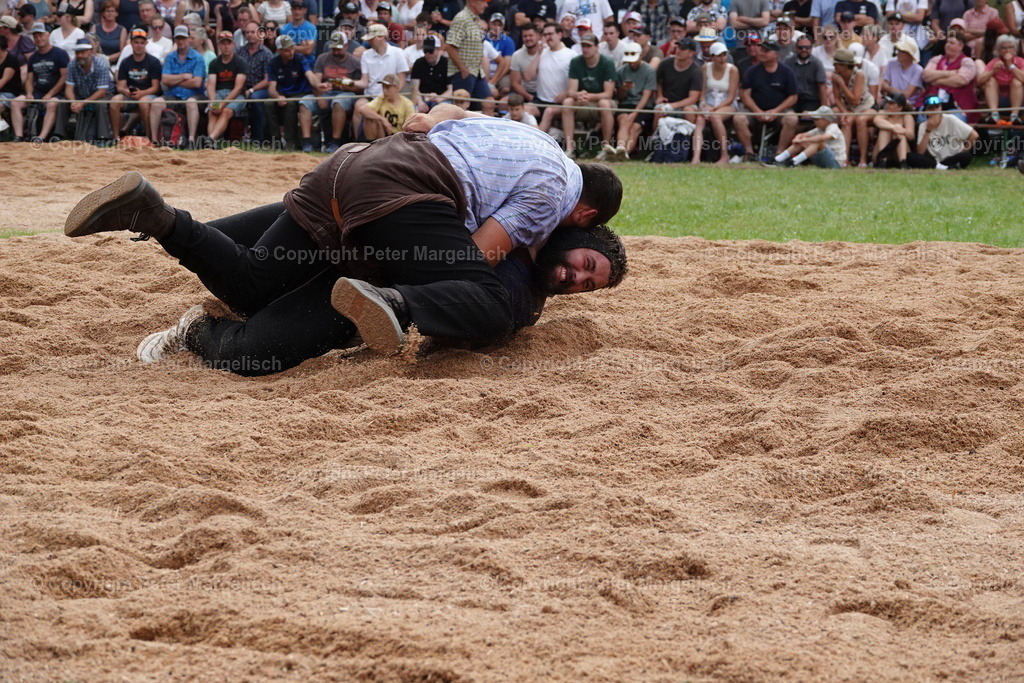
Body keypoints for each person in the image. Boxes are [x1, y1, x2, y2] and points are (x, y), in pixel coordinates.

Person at [64, 106, 624, 367]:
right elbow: (473, 259)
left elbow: (436, 114)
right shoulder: (552, 197)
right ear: (586, 217)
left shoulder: (529, 139)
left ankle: (156, 217)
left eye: (586, 286)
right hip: (402, 199)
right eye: (585, 266)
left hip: (356, 169)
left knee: (252, 283)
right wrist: (412, 296)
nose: (575, 279)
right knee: (488, 296)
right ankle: (391, 303)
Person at [734, 39, 798, 161]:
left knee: (792, 119)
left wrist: (776, 111)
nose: (761, 53)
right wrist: (757, 111)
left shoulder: (787, 72)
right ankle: (749, 152)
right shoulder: (752, 71)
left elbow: (793, 97)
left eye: (766, 51)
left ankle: (780, 154)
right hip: (754, 110)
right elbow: (745, 94)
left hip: (780, 111)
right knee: (738, 118)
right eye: (761, 50)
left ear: (776, 54)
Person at [299, 32, 361, 152]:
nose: (336, 52)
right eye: (333, 49)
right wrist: (319, 95)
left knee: (338, 102)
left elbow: (359, 88)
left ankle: (335, 142)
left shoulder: (354, 62)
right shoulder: (322, 58)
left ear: (346, 46)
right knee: (304, 102)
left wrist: (345, 86)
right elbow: (316, 81)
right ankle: (307, 142)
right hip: (325, 93)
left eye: (338, 49)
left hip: (346, 93)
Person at [10, 23, 68, 142]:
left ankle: (41, 137)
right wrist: (29, 93)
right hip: (38, 92)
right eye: (35, 36)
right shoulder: (33, 57)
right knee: (15, 102)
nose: (38, 39)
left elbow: (64, 77)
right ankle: (18, 136)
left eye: (41, 35)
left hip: (57, 93)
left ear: (48, 35)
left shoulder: (60, 54)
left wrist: (50, 94)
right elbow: (29, 79)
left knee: (52, 103)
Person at [563, 32, 616, 158]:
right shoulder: (576, 62)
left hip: (600, 101)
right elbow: (571, 91)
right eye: (583, 46)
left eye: (589, 46)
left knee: (605, 103)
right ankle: (569, 148)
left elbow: (608, 93)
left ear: (597, 47)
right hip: (582, 101)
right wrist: (578, 95)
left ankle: (606, 146)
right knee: (567, 102)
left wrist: (590, 96)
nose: (585, 49)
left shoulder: (607, 62)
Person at [150, 24, 204, 146]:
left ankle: (191, 139)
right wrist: (184, 76)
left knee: (191, 102)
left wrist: (174, 80)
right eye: (178, 38)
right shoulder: (170, 57)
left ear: (188, 39)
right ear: (175, 40)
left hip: (194, 95)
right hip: (173, 95)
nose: (181, 41)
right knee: (156, 102)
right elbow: (165, 80)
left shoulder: (198, 58)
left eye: (183, 38)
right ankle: (154, 139)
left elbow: (197, 83)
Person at [109, 26, 161, 140]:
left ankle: (149, 137)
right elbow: (120, 86)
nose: (139, 45)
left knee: (143, 102)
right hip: (130, 95)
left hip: (148, 94)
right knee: (114, 101)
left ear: (146, 43)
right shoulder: (125, 62)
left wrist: (142, 93)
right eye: (136, 42)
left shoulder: (154, 62)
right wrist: (126, 91)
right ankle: (116, 137)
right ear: (131, 43)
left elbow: (156, 88)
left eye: (142, 42)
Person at [265, 32, 313, 149]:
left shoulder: (300, 58)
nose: (291, 52)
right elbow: (271, 88)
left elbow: (310, 75)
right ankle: (275, 140)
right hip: (282, 93)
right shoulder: (273, 63)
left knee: (290, 104)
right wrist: (277, 97)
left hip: (300, 93)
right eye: (287, 50)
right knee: (268, 103)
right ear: (279, 51)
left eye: (292, 48)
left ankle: (290, 141)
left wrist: (319, 85)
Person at [692, 41, 737, 164]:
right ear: (712, 57)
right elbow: (702, 92)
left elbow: (731, 97)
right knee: (699, 120)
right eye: (719, 56)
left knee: (715, 117)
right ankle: (696, 157)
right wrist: (703, 105)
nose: (722, 58)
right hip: (709, 101)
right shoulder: (705, 68)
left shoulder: (732, 70)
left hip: (727, 103)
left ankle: (724, 155)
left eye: (724, 55)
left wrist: (714, 108)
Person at [609, 41, 654, 161]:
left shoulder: (649, 71)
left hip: (644, 107)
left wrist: (634, 113)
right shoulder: (621, 71)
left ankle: (624, 153)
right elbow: (619, 97)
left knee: (635, 127)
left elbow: (646, 96)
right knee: (623, 120)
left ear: (640, 55)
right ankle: (620, 148)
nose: (631, 62)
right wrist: (623, 89)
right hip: (626, 104)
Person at [921, 30, 978, 122]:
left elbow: (961, 81)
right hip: (932, 104)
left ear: (961, 46)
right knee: (921, 118)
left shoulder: (967, 62)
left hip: (957, 106)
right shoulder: (937, 59)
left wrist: (936, 81)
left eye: (952, 43)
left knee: (954, 120)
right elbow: (926, 75)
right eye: (947, 42)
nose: (947, 45)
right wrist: (950, 73)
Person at [908, 94, 978, 168]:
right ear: (926, 111)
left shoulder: (950, 119)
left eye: (937, 107)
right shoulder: (923, 126)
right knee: (911, 156)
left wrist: (964, 149)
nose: (935, 110)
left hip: (954, 157)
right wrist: (928, 131)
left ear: (941, 108)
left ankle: (945, 167)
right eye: (931, 108)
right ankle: (945, 168)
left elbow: (974, 135)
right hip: (936, 161)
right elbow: (920, 152)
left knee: (966, 155)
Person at [203, 29, 247, 145]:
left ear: (233, 44)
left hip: (237, 95)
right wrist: (213, 102)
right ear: (219, 45)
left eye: (228, 43)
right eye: (223, 43)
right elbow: (211, 85)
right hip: (219, 93)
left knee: (226, 111)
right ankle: (211, 142)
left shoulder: (240, 62)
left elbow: (238, 88)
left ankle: (211, 139)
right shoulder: (214, 63)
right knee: (212, 112)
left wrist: (222, 104)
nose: (226, 46)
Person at [63, 37, 112, 141]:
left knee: (100, 104)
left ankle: (103, 137)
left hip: (102, 95)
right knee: (62, 102)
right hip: (81, 94)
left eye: (83, 52)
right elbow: (68, 88)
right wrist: (73, 101)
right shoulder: (72, 65)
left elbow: (102, 92)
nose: (80, 55)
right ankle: (60, 134)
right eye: (78, 53)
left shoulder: (101, 64)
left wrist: (83, 102)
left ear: (90, 52)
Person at [830, 47, 872, 167]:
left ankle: (863, 159)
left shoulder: (859, 75)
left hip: (865, 105)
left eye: (836, 64)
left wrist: (842, 84)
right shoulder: (835, 76)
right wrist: (844, 112)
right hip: (848, 107)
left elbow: (855, 99)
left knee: (860, 120)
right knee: (846, 120)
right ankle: (844, 158)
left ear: (844, 65)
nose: (834, 66)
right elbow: (837, 98)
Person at [444, 0, 489, 110]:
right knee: (460, 108)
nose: (486, 5)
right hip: (463, 73)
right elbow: (449, 46)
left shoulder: (476, 19)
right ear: (473, 2)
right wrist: (463, 69)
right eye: (483, 1)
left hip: (476, 71)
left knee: (489, 103)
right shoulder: (461, 18)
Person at [529, 22, 573, 130]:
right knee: (524, 110)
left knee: (549, 112)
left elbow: (578, 82)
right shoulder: (542, 52)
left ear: (559, 35)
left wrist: (566, 93)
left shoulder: (571, 54)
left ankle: (538, 139)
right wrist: (538, 54)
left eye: (550, 34)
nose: (547, 37)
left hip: (559, 102)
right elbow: (529, 76)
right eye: (545, 35)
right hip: (540, 100)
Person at [769, 104, 845, 166]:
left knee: (818, 143)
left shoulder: (833, 127)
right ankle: (778, 159)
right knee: (802, 142)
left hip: (835, 162)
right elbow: (802, 134)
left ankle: (794, 162)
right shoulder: (819, 129)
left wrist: (804, 140)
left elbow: (822, 138)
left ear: (826, 120)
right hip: (823, 160)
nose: (814, 121)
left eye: (817, 119)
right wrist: (798, 139)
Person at [653, 36, 701, 130]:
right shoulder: (665, 64)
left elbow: (693, 98)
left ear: (691, 53)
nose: (678, 51)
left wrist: (672, 106)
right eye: (678, 47)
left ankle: (688, 138)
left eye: (683, 49)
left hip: (686, 104)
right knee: (659, 111)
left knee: (689, 112)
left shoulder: (696, 71)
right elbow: (658, 82)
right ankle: (655, 136)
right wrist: (659, 96)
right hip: (666, 101)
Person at [237, 20, 272, 142]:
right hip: (241, 87)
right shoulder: (239, 51)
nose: (250, 35)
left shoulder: (266, 53)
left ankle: (258, 138)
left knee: (255, 99)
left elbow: (268, 79)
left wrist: (251, 90)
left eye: (253, 32)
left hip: (261, 88)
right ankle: (233, 136)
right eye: (247, 32)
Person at [978, 35, 1024, 125]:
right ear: (999, 50)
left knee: (1017, 81)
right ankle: (994, 114)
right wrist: (993, 71)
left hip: (1019, 100)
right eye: (1004, 48)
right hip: (999, 99)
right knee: (990, 80)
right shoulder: (994, 62)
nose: (1007, 50)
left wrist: (1011, 66)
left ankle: (1014, 115)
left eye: (1010, 47)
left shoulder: (1021, 61)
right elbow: (980, 82)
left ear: (1015, 49)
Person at [355, 70, 412, 137]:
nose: (384, 91)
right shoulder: (381, 99)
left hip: (399, 136)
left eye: (387, 87)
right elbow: (362, 109)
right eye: (383, 87)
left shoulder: (407, 104)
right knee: (369, 119)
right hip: (383, 134)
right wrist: (382, 119)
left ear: (396, 88)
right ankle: (372, 142)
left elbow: (409, 127)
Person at [871, 90, 913, 168]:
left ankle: (903, 162)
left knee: (899, 134)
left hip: (900, 152)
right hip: (881, 151)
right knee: (885, 131)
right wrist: (893, 127)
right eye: (888, 102)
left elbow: (911, 135)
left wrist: (901, 130)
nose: (887, 105)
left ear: (900, 107)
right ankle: (882, 161)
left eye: (891, 103)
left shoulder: (906, 116)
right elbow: (876, 121)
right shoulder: (883, 112)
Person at [786, 33, 826, 113]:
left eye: (807, 47)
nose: (804, 50)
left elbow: (822, 86)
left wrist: (824, 108)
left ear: (811, 48)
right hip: (791, 98)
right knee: (789, 115)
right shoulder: (788, 62)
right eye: (800, 47)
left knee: (806, 116)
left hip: (811, 100)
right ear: (795, 48)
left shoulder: (817, 63)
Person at [409, 33, 449, 111]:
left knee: (443, 110)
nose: (427, 54)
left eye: (430, 51)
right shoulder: (418, 63)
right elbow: (414, 87)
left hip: (442, 99)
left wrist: (439, 98)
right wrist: (420, 102)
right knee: (414, 110)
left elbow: (450, 90)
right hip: (422, 98)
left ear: (438, 49)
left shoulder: (446, 63)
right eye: (425, 51)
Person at [510, 23, 542, 118]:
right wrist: (528, 96)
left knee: (526, 110)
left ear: (538, 36)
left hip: (543, 93)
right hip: (525, 92)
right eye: (525, 36)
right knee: (504, 103)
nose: (528, 38)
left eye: (531, 35)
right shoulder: (517, 55)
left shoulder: (547, 51)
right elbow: (515, 83)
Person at [880, 34, 922, 107]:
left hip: (908, 105)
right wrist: (891, 90)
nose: (898, 53)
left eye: (901, 51)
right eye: (898, 50)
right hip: (890, 102)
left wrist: (889, 89)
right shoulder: (891, 63)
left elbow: (907, 95)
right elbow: (883, 85)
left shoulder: (917, 70)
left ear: (909, 55)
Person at [94, 0, 126, 65]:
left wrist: (106, 58)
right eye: (107, 11)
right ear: (103, 13)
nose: (110, 13)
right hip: (97, 62)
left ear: (116, 13)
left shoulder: (122, 30)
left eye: (112, 11)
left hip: (114, 64)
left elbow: (122, 51)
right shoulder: (95, 27)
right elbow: (91, 47)